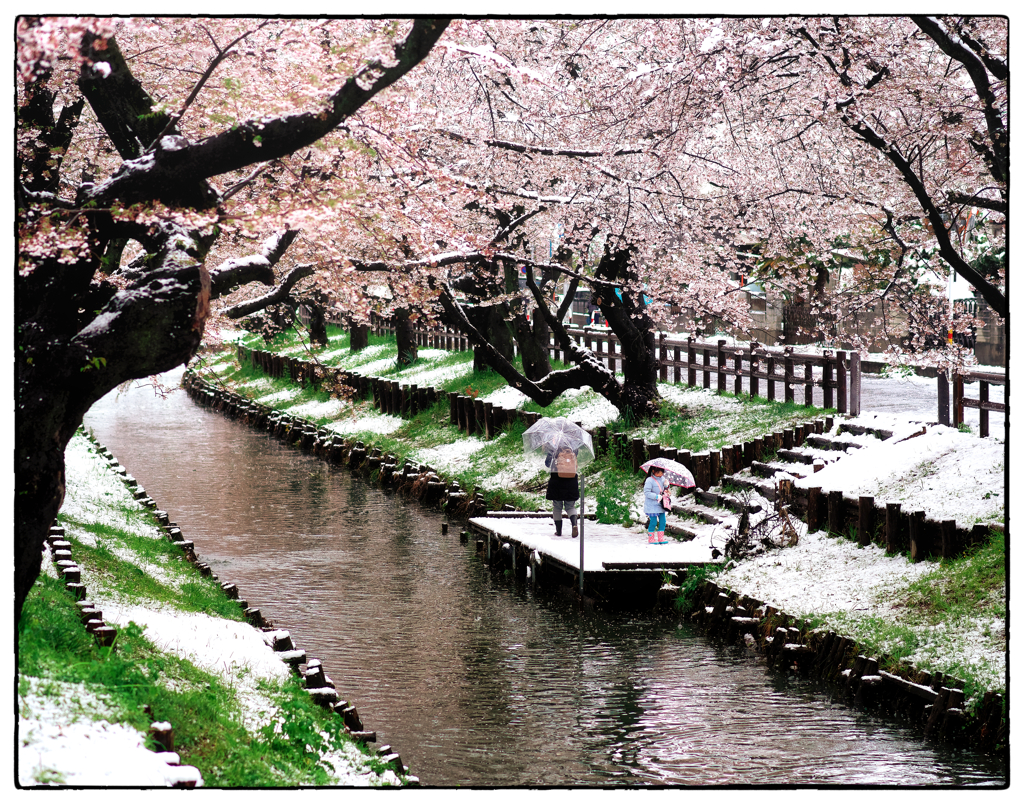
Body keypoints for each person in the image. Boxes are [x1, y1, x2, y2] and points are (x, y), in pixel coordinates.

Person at [545, 446, 579, 538]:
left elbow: (547, 464)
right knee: (570, 506)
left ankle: (558, 531)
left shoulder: (554, 447)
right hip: (571, 480)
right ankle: (574, 525)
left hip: (557, 480)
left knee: (557, 506)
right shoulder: (573, 447)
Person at [643, 466, 671, 545]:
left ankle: (661, 538)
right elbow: (646, 492)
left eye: (662, 472)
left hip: (661, 504)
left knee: (663, 522)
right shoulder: (649, 480)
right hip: (652, 505)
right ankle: (651, 538)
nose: (661, 474)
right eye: (658, 472)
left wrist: (666, 486)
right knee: (653, 522)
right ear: (653, 471)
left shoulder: (663, 479)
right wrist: (656, 496)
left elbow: (664, 490)